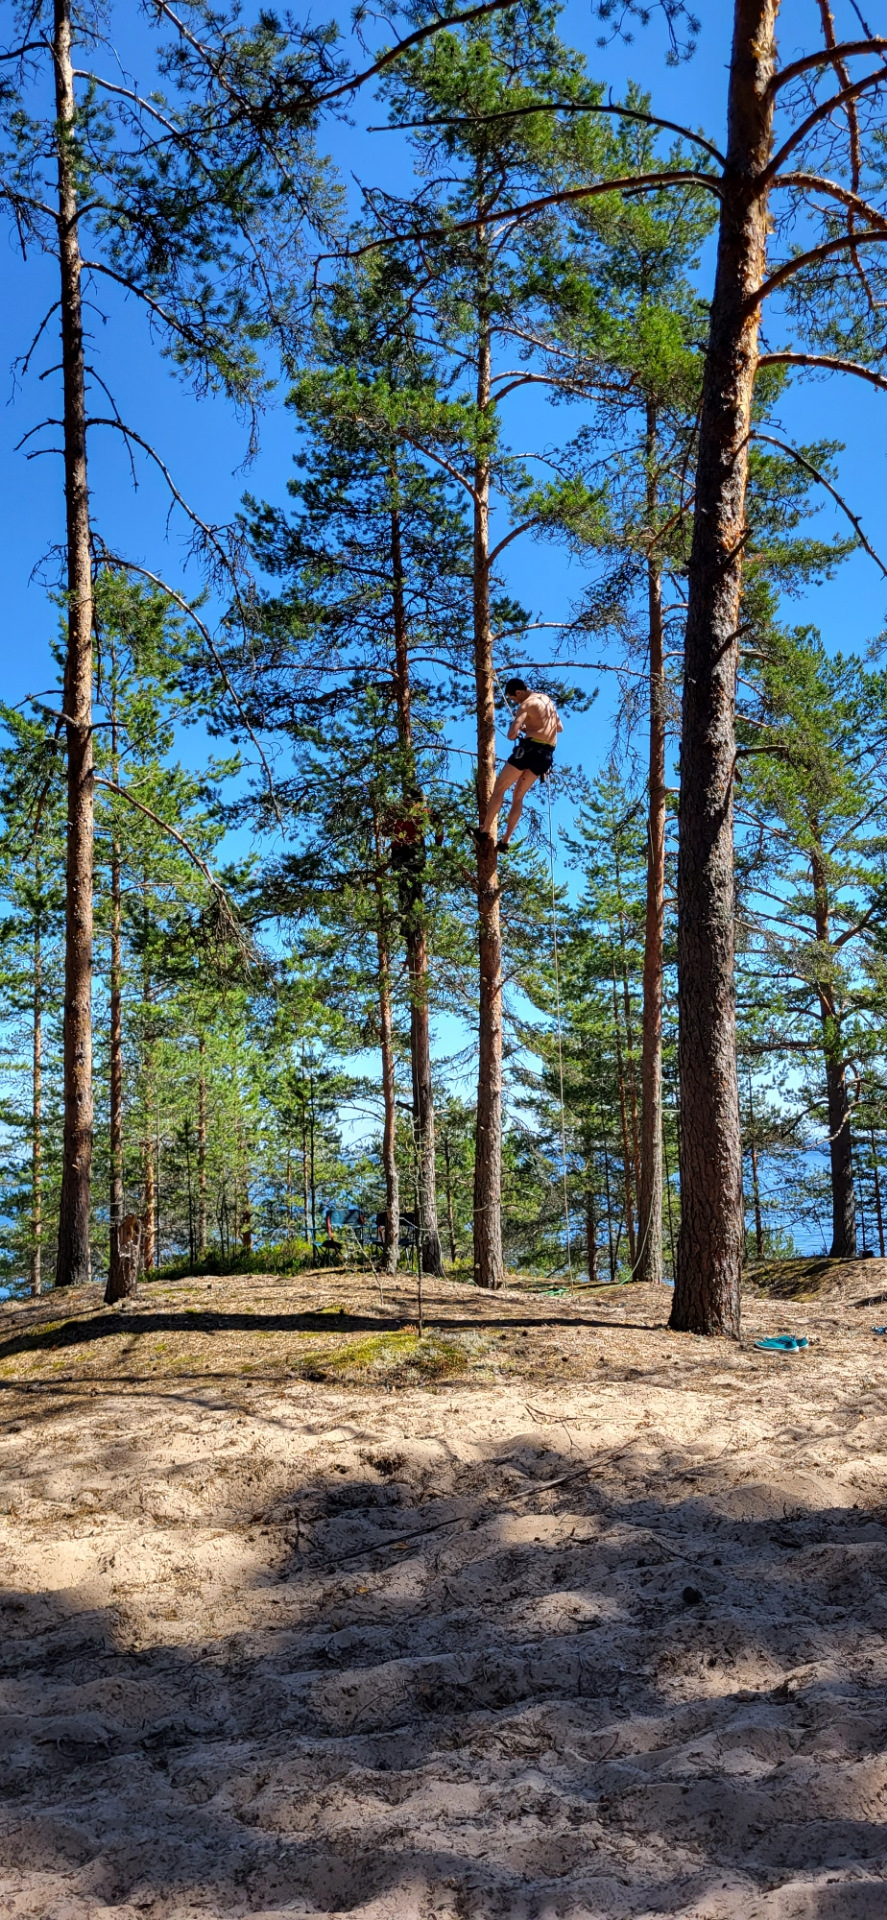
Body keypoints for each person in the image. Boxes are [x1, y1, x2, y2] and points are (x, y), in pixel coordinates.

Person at [476, 677, 562, 850]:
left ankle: (484, 831)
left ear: (518, 692)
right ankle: (505, 841)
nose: (515, 702)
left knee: (500, 788)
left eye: (514, 698)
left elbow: (511, 735)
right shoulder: (546, 700)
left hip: (529, 750)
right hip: (546, 755)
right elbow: (559, 727)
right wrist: (530, 728)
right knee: (518, 797)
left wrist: (518, 727)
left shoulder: (526, 704)